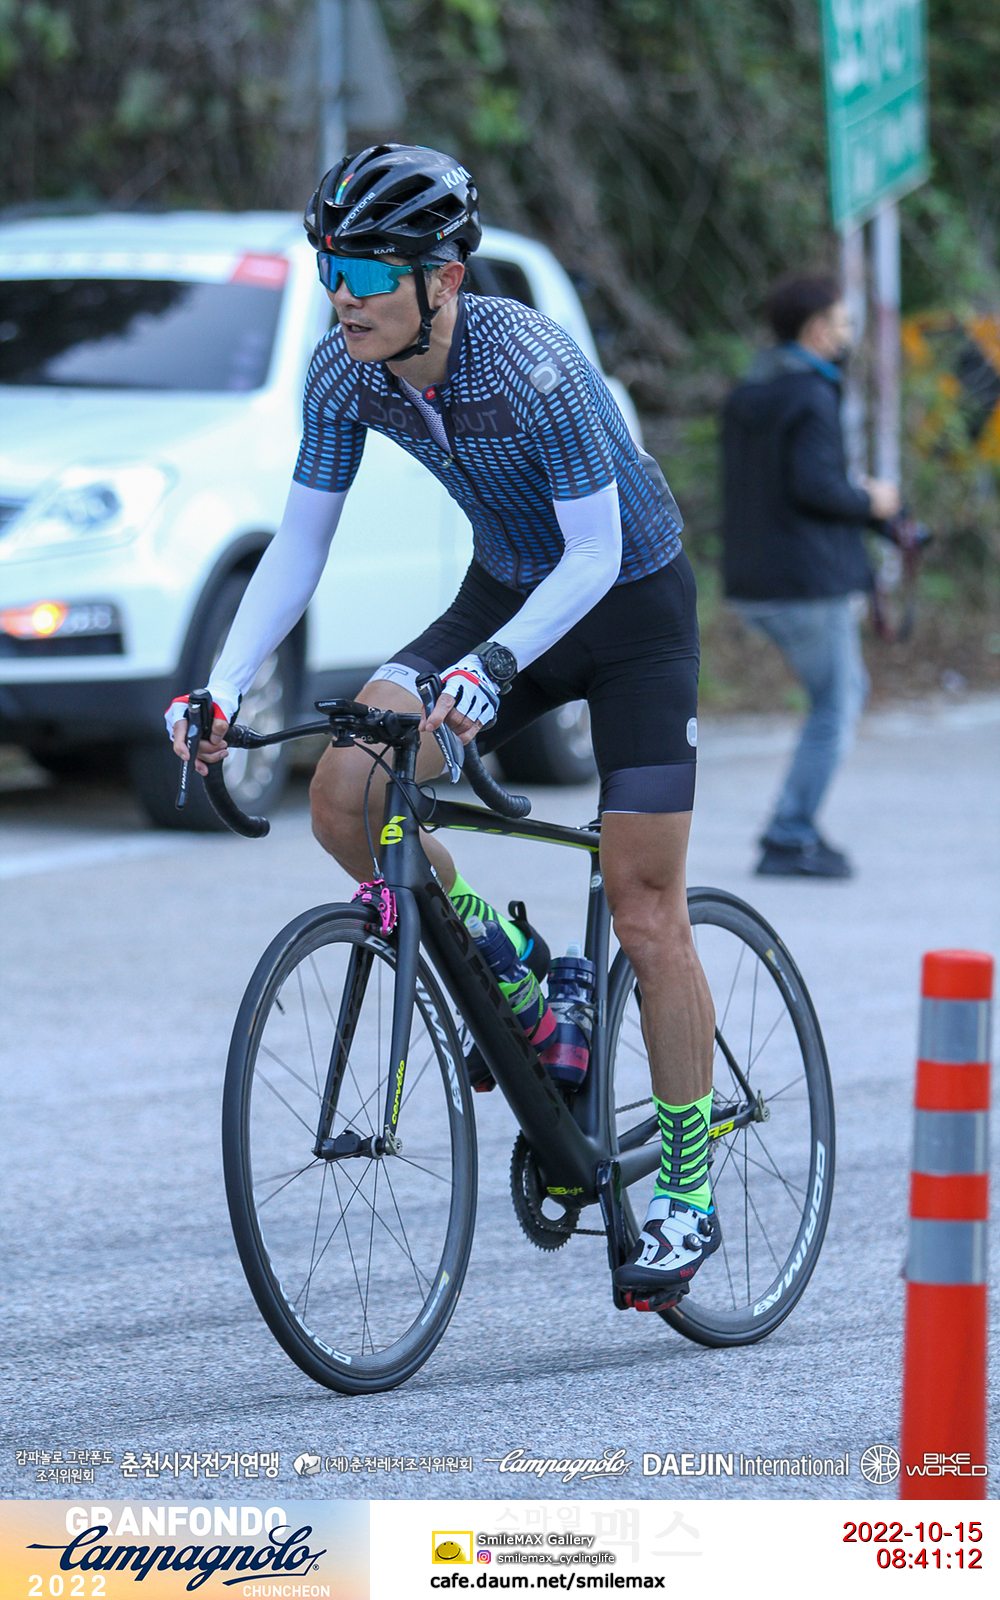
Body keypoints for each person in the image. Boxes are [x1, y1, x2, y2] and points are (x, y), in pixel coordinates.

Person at [166, 144, 719, 1301]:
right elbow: (300, 543)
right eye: (332, 268)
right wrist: (221, 683)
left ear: (445, 278)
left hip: (628, 609)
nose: (344, 295)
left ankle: (685, 1182)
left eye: (370, 271)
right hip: (504, 590)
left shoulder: (532, 366)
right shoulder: (344, 371)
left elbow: (596, 552)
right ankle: (519, 979)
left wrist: (494, 664)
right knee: (345, 794)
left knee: (644, 906)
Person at [721, 274, 900, 878]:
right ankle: (790, 834)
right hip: (805, 581)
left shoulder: (750, 390)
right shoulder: (812, 394)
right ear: (818, 329)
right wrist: (873, 500)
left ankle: (793, 828)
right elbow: (815, 487)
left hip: (754, 579)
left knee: (840, 694)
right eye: (844, 324)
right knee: (838, 703)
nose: (849, 335)